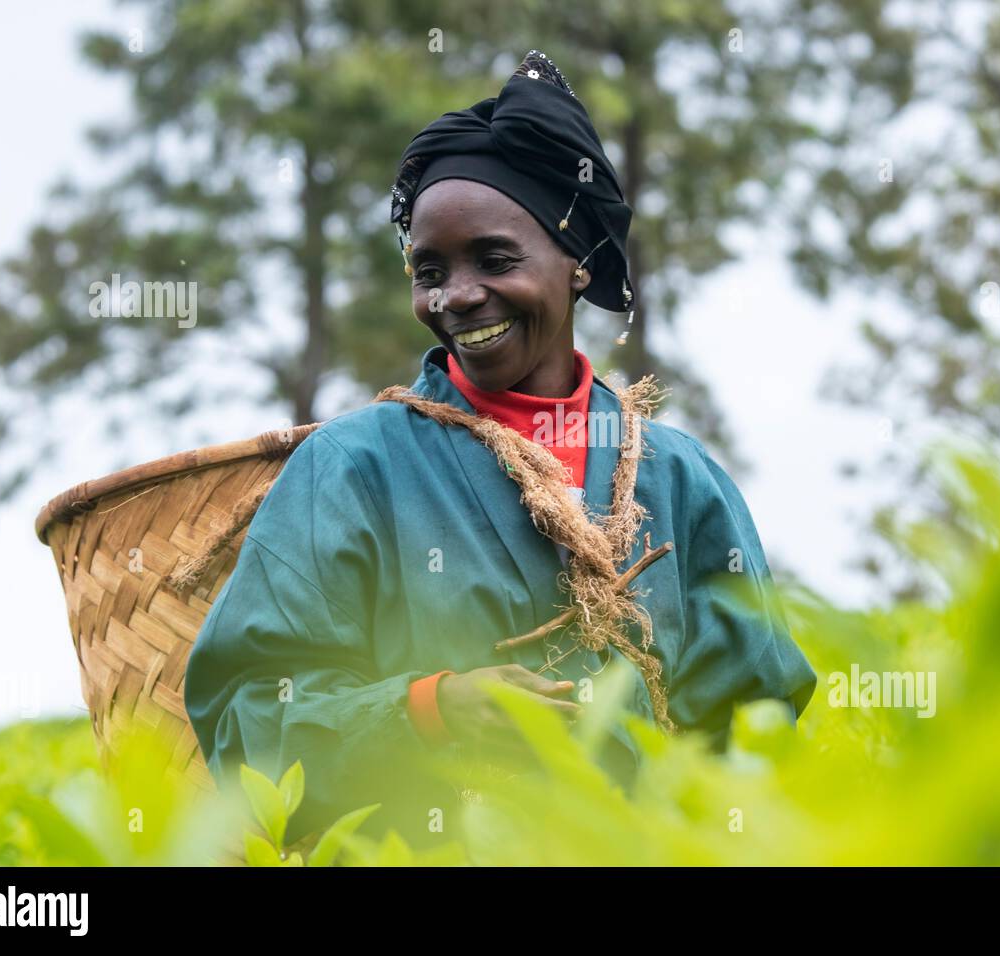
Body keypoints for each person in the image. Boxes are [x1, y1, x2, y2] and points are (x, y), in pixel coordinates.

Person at [184, 50, 816, 848]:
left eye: (495, 259)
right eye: (429, 270)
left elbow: (758, 731)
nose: (455, 296)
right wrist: (430, 712)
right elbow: (244, 715)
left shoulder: (678, 479)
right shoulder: (356, 467)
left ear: (578, 263)